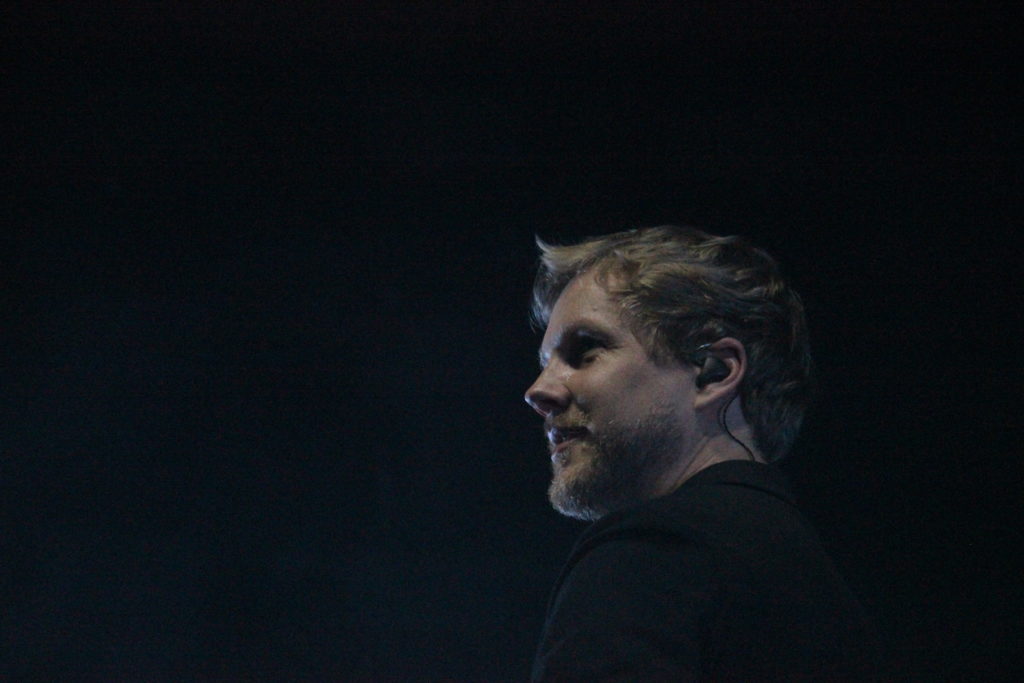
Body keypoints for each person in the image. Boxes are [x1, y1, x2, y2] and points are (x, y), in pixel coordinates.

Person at [524, 225, 880, 680]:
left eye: (585, 350)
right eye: (546, 363)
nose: (538, 391)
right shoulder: (815, 583)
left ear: (714, 372)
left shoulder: (654, 554)